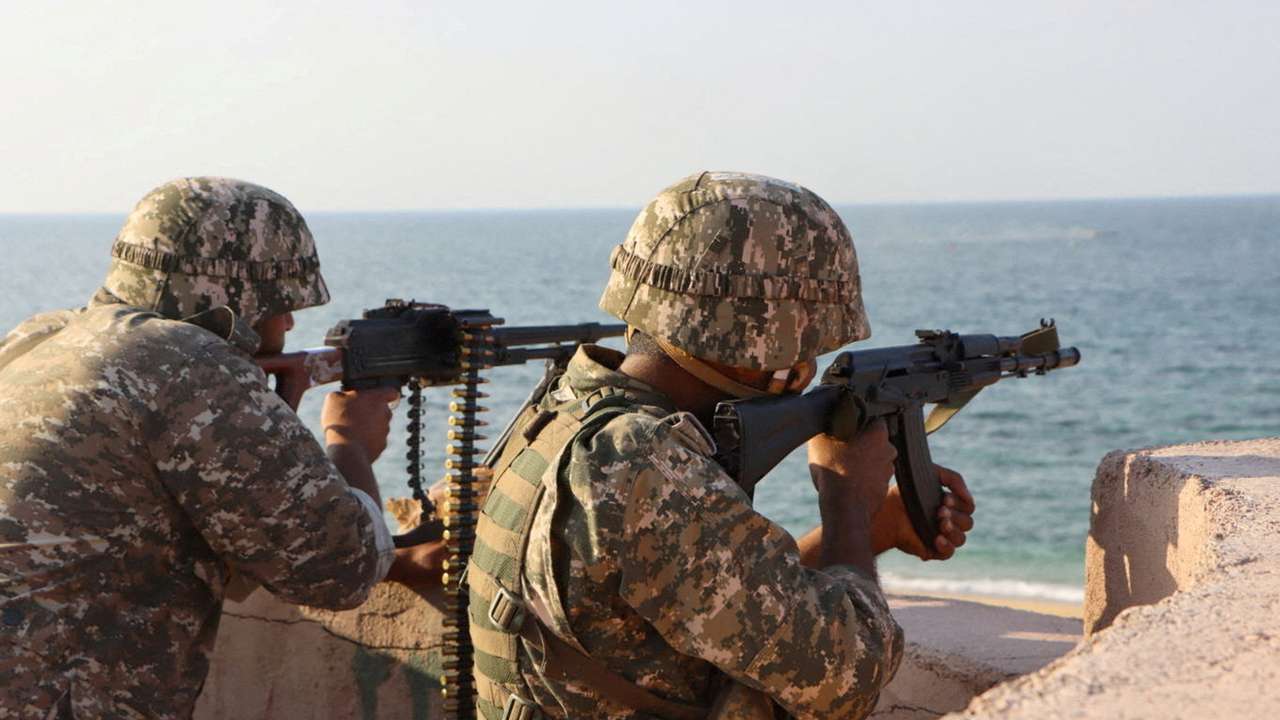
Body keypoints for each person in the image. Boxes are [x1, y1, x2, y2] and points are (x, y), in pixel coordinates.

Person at [465, 171, 976, 719]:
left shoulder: (565, 414)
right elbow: (848, 677)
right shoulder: (647, 465)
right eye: (806, 338)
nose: (806, 365)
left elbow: (715, 594)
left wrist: (876, 526)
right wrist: (848, 497)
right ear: (756, 332)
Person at [0, 178, 421, 719]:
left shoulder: (36, 341)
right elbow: (341, 569)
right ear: (237, 294)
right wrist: (349, 442)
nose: (290, 322)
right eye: (283, 302)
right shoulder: (184, 359)